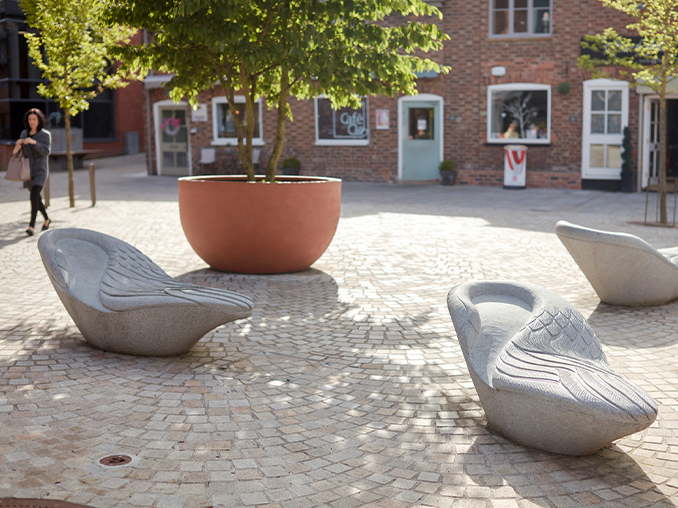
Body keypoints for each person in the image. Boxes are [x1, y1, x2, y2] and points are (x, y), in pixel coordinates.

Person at [14, 108, 51, 236]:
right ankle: (46, 219)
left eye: (34, 119)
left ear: (39, 120)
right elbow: (16, 152)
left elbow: (46, 152)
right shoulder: (24, 134)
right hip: (27, 171)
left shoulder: (45, 135)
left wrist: (34, 143)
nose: (32, 121)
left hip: (40, 170)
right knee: (37, 198)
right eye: (30, 119)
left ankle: (31, 226)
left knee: (33, 195)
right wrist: (18, 144)